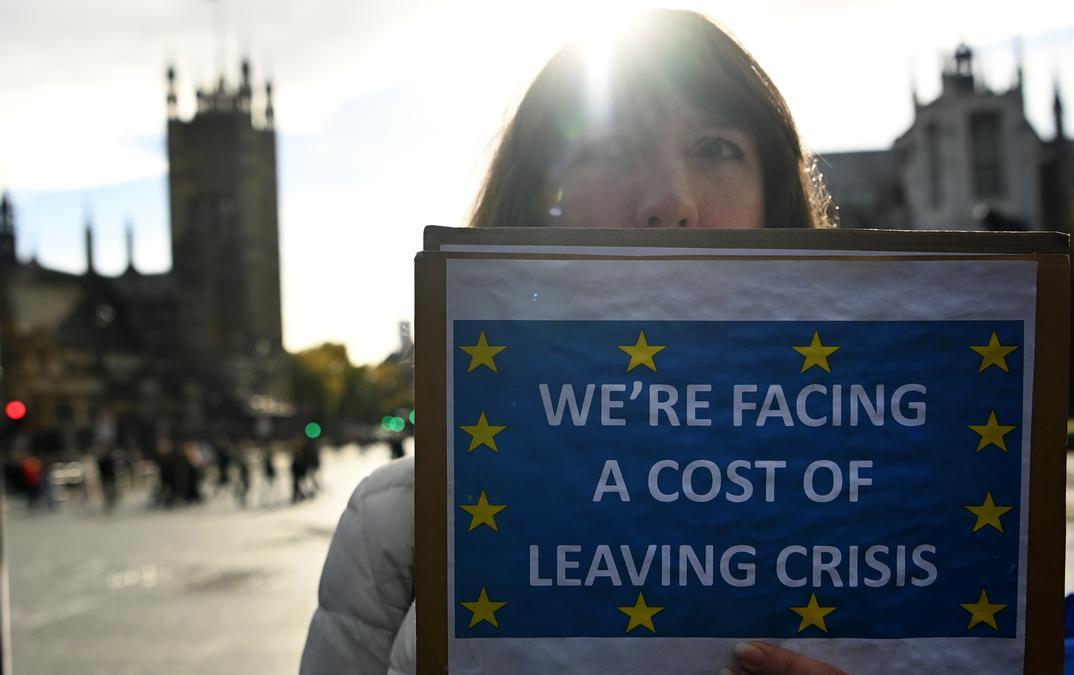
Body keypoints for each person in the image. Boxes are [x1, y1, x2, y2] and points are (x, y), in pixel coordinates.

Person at [301, 10, 840, 675]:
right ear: (537, 197)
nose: (672, 202)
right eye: (612, 146)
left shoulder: (873, 502)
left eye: (715, 148)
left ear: (774, 197)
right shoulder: (397, 525)